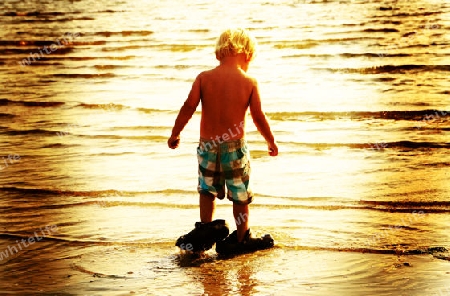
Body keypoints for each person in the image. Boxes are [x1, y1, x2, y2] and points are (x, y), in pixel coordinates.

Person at [168, 27, 278, 254]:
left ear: (219, 54)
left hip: (207, 146)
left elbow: (188, 107)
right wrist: (271, 141)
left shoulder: (204, 77)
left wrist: (175, 133)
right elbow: (258, 117)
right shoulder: (249, 81)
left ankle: (206, 228)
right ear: (246, 55)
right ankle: (241, 238)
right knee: (240, 195)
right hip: (234, 148)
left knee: (207, 190)